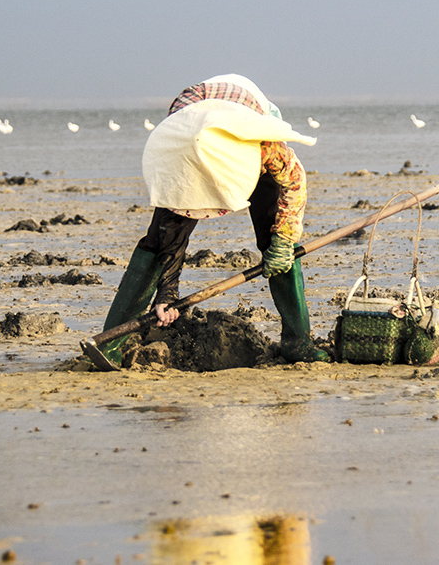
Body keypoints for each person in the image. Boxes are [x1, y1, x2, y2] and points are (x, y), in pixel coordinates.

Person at [91, 74, 328, 367]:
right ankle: (110, 343)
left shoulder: (263, 145)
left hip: (247, 111)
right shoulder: (179, 152)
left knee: (274, 235)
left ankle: (298, 344)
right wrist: (167, 294)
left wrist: (284, 241)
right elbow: (172, 234)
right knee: (157, 239)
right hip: (189, 131)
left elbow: (295, 182)